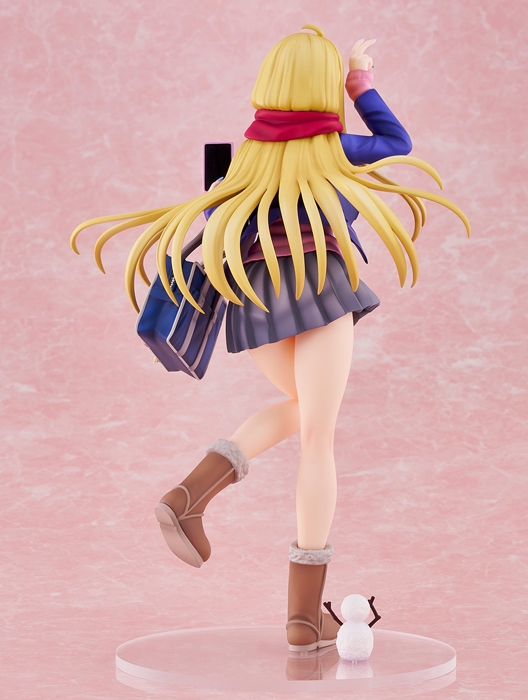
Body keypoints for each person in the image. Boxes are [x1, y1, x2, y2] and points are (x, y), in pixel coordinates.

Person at [71, 25, 469, 652]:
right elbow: (398, 142)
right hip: (318, 289)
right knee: (318, 436)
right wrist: (361, 84)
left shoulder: (240, 159)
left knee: (303, 409)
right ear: (321, 87)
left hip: (253, 301)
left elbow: (217, 225)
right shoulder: (336, 148)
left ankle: (191, 494)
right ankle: (303, 617)